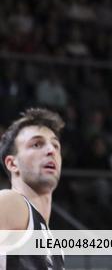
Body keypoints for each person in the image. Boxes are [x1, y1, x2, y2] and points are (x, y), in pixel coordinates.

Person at [0, 107, 66, 269]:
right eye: (37, 144)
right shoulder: (12, 203)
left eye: (55, 145)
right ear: (12, 163)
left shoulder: (56, 248)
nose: (51, 150)